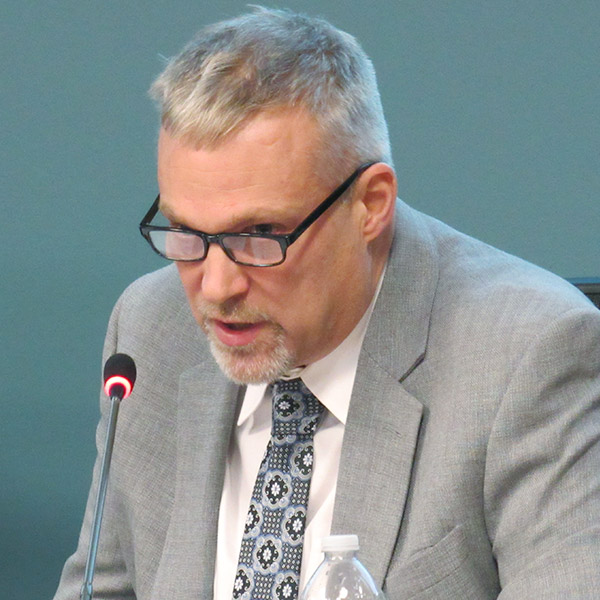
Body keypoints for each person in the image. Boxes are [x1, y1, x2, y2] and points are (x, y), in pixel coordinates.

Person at [54, 7, 600, 599]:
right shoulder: (150, 330)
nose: (215, 288)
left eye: (259, 234)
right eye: (186, 232)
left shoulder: (529, 356)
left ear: (370, 205)